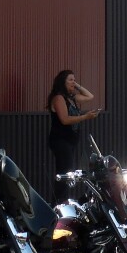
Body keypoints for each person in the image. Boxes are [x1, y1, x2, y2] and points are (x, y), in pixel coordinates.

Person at [47, 70, 99, 202]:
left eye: (74, 79)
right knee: (65, 173)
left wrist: (77, 85)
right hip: (60, 140)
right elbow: (64, 119)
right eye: (70, 80)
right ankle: (58, 204)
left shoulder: (72, 97)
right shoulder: (58, 98)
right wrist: (85, 117)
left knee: (67, 171)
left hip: (70, 141)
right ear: (62, 82)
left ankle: (59, 202)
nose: (73, 82)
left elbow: (90, 96)